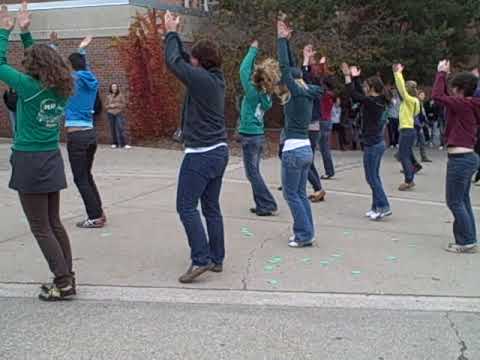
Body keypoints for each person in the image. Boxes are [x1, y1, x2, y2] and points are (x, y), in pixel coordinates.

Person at [0, 2, 76, 301]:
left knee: (40, 226)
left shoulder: (29, 87)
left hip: (30, 159)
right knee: (54, 223)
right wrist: (27, 33)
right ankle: (67, 277)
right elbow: (40, 62)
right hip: (51, 157)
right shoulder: (60, 88)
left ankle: (63, 280)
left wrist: (5, 30)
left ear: (35, 68)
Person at [164, 11, 229, 282]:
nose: (190, 60)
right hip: (218, 151)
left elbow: (174, 63)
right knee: (211, 206)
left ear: (200, 62)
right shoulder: (214, 78)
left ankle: (201, 258)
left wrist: (169, 32)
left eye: (194, 58)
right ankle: (217, 257)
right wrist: (175, 34)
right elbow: (182, 59)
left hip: (201, 154)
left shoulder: (201, 80)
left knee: (186, 206)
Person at [276, 18, 322, 248]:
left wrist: (281, 40)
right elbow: (293, 70)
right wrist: (299, 57)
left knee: (291, 194)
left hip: (294, 150)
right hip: (305, 149)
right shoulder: (308, 92)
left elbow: (285, 67)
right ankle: (307, 232)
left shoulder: (294, 92)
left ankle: (303, 235)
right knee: (301, 194)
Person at [432, 60, 480, 254]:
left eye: (454, 89)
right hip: (466, 157)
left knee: (454, 201)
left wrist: (441, 73)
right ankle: (468, 239)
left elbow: (437, 96)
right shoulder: (469, 104)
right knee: (463, 200)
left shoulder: (463, 104)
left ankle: (467, 241)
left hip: (461, 160)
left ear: (460, 90)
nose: (451, 93)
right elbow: (442, 96)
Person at [65, 36, 106, 229]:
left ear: (71, 67)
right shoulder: (90, 80)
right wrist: (82, 50)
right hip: (90, 134)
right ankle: (98, 213)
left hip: (77, 136)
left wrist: (52, 46)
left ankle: (95, 216)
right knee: (86, 176)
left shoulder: (73, 80)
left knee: (80, 178)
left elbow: (59, 70)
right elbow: (83, 67)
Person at [342, 63, 391, 220]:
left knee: (371, 177)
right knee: (374, 176)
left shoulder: (372, 102)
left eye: (365, 85)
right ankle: (376, 207)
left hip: (373, 144)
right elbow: (359, 93)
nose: (363, 87)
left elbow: (354, 95)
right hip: (376, 143)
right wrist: (356, 77)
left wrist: (348, 77)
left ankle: (384, 206)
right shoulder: (378, 99)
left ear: (371, 88)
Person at [239, 40, 279, 216]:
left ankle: (268, 203)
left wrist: (252, 50)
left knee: (252, 173)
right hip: (258, 136)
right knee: (253, 171)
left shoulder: (253, 92)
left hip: (250, 136)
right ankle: (262, 203)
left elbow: (243, 70)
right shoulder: (266, 95)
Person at [301, 44, 326, 202]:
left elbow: (304, 77)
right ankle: (315, 187)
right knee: (306, 159)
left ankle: (317, 187)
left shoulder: (315, 86)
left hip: (310, 125)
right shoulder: (315, 84)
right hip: (310, 125)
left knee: (306, 159)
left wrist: (306, 59)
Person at [393, 63, 422, 191]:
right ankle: (415, 165)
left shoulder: (409, 100)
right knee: (407, 152)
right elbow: (415, 114)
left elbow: (400, 88)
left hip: (406, 130)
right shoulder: (415, 101)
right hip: (410, 129)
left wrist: (397, 73)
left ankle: (408, 180)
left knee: (403, 155)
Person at [319, 75, 336, 179]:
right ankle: (329, 170)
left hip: (322, 121)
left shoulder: (324, 95)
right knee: (325, 148)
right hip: (328, 120)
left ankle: (329, 171)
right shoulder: (331, 94)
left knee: (323, 148)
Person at [106, 83, 130, 149]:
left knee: (120, 127)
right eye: (113, 87)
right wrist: (109, 106)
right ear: (111, 88)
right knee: (112, 128)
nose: (114, 88)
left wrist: (116, 105)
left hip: (118, 113)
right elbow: (105, 106)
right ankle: (114, 143)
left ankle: (124, 144)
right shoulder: (108, 96)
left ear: (117, 88)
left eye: (115, 87)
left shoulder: (120, 95)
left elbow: (124, 104)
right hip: (110, 113)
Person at [416, 90, 432, 162]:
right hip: (417, 125)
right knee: (410, 142)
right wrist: (423, 122)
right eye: (421, 95)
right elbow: (419, 114)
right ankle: (400, 155)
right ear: (418, 95)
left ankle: (424, 157)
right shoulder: (417, 103)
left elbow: (423, 113)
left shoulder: (421, 103)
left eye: (424, 95)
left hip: (419, 124)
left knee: (422, 141)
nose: (423, 96)